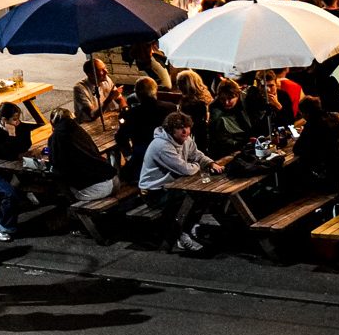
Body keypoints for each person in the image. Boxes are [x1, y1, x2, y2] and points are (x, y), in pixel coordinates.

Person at [138, 111, 222, 252]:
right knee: (189, 197)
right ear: (171, 130)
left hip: (172, 186)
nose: (185, 131)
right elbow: (185, 169)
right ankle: (181, 235)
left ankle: (189, 227)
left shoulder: (186, 139)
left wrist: (210, 163)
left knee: (205, 195)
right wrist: (197, 166)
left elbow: (197, 155)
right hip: (154, 192)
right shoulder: (162, 146)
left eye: (187, 127)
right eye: (180, 128)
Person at [46, 108, 118, 207]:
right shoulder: (79, 130)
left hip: (97, 188)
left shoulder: (56, 137)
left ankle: (73, 211)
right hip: (114, 180)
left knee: (59, 179)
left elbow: (57, 165)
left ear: (51, 122)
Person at [0, 102, 34, 239]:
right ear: (4, 120)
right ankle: (4, 227)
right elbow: (7, 153)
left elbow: (26, 143)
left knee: (30, 178)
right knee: (9, 193)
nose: (18, 122)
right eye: (14, 119)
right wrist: (11, 135)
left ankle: (2, 219)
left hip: (6, 169)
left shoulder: (22, 128)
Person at [73, 58, 125, 125]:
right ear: (90, 74)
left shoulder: (106, 79)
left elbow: (120, 99)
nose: (106, 72)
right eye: (101, 70)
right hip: (89, 124)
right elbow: (92, 115)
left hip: (107, 119)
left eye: (105, 68)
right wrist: (109, 99)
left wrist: (124, 108)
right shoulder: (79, 88)